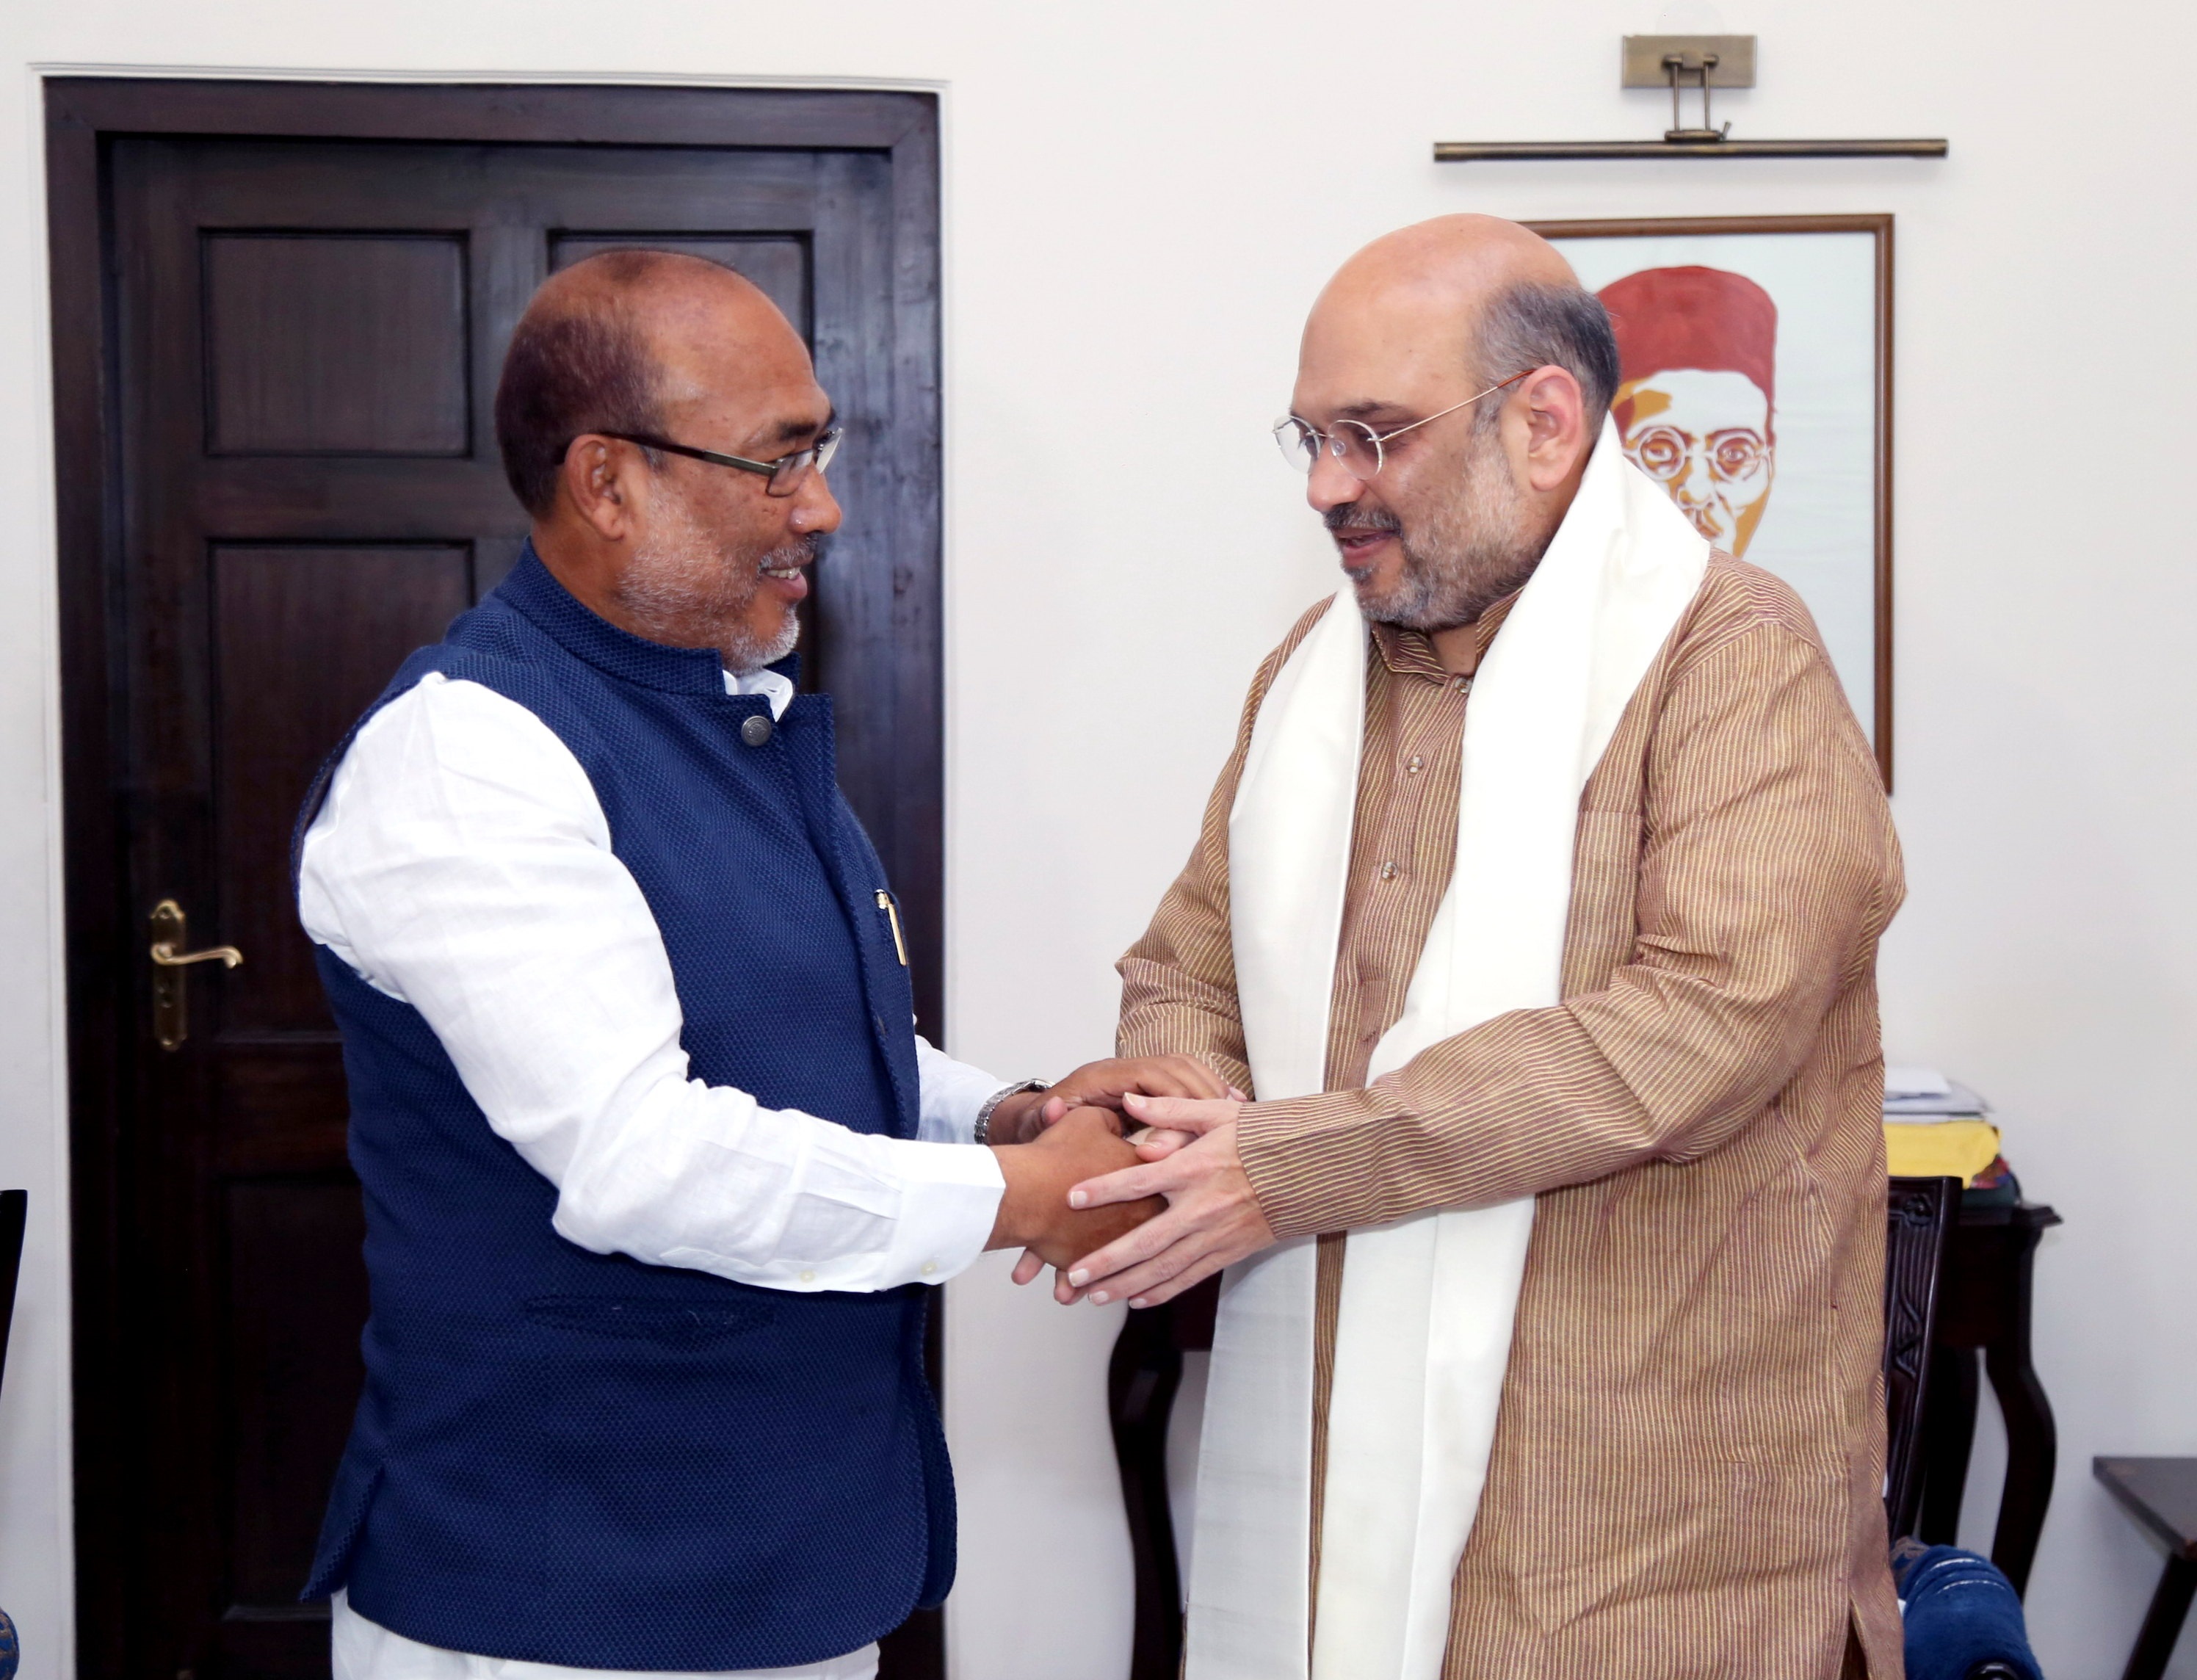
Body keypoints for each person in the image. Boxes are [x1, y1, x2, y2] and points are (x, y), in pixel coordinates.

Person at [295, 250, 1209, 1680]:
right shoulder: (470, 757)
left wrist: (1003, 1116)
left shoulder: (732, 713)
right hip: (573, 1588)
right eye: (777, 462)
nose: (821, 507)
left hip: (781, 1560)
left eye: (817, 452)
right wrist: (1015, 1199)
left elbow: (798, 1043)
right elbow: (640, 1155)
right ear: (608, 483)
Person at [1056, 217, 1905, 1677]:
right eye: (1310, 437)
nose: (1326, 486)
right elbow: (1183, 962)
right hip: (1342, 1492)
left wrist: (1286, 1164)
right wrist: (1190, 1121)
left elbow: (1696, 1026)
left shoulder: (1729, 657)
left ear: (1545, 422)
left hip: (1637, 1541)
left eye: (1370, 435)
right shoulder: (1315, 679)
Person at [1598, 264, 1779, 555]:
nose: (1697, 494)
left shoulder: (1772, 602)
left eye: (1735, 455)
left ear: (1770, 466)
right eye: (1659, 451)